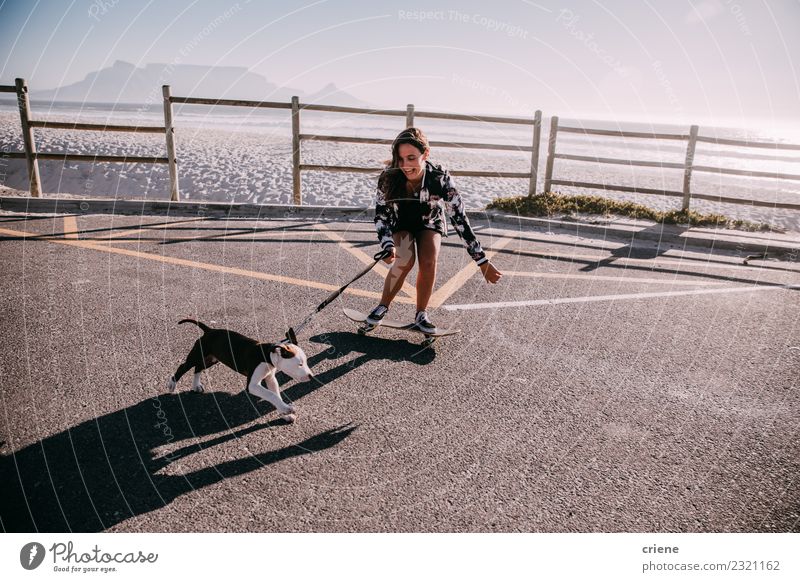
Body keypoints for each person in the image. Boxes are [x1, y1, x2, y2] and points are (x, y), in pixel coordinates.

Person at [367, 127, 502, 333]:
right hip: (401, 221)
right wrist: (387, 244)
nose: (405, 165)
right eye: (400, 159)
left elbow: (460, 220)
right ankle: (382, 306)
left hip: (429, 221)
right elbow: (381, 215)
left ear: (426, 154)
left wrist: (482, 261)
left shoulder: (440, 178)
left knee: (429, 261)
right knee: (404, 259)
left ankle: (421, 314)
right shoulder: (389, 176)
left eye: (411, 158)